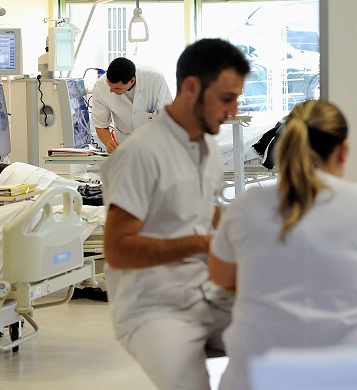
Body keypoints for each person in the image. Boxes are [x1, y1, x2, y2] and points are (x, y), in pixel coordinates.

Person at [100, 38, 250, 389]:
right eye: (227, 98)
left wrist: (247, 236)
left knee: (282, 339)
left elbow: (208, 211)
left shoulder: (207, 146)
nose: (233, 110)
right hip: (153, 305)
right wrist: (201, 243)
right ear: (192, 88)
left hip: (205, 290)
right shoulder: (140, 154)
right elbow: (118, 250)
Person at [209, 100, 357, 390]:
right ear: (343, 151)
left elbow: (221, 277)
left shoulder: (245, 206)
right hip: (342, 374)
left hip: (255, 376)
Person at [91, 57, 172, 153]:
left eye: (117, 88)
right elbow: (101, 124)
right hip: (124, 144)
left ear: (132, 81)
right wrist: (108, 143)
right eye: (109, 86)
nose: (111, 90)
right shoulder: (100, 87)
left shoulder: (154, 79)